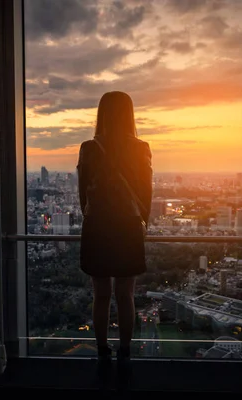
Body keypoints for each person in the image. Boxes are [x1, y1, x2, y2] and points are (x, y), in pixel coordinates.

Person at [76, 91, 152, 381]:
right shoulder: (141, 147)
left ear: (102, 114)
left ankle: (102, 352)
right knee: (125, 295)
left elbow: (82, 195)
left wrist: (93, 212)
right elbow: (146, 191)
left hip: (97, 226)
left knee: (101, 295)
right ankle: (125, 353)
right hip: (128, 226)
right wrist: (141, 220)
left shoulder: (89, 147)